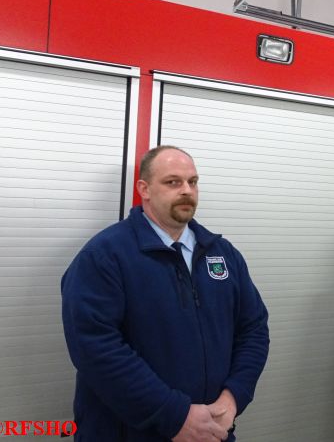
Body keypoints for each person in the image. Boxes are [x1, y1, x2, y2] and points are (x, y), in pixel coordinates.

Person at [61, 145, 269, 442]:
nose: (186, 190)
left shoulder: (222, 254)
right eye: (173, 182)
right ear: (144, 189)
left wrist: (234, 396)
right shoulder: (105, 256)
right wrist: (174, 415)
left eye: (192, 182)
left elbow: (254, 329)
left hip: (212, 432)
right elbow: (95, 348)